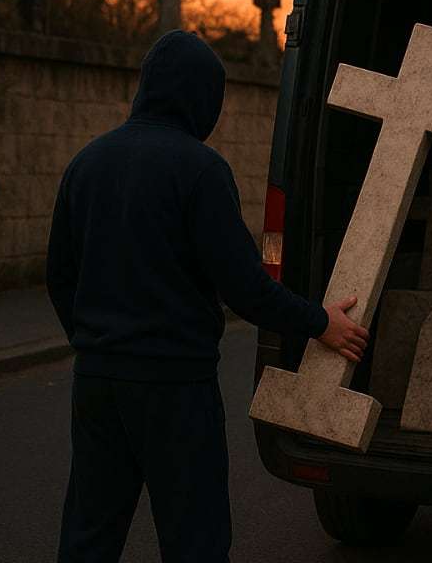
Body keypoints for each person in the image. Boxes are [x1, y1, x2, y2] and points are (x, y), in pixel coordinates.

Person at [47, 31, 368, 563]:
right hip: (175, 386)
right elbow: (244, 287)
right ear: (202, 98)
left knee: (89, 533)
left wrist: (96, 342)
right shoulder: (200, 170)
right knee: (194, 537)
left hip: (98, 381)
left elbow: (60, 276)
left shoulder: (87, 163)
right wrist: (320, 322)